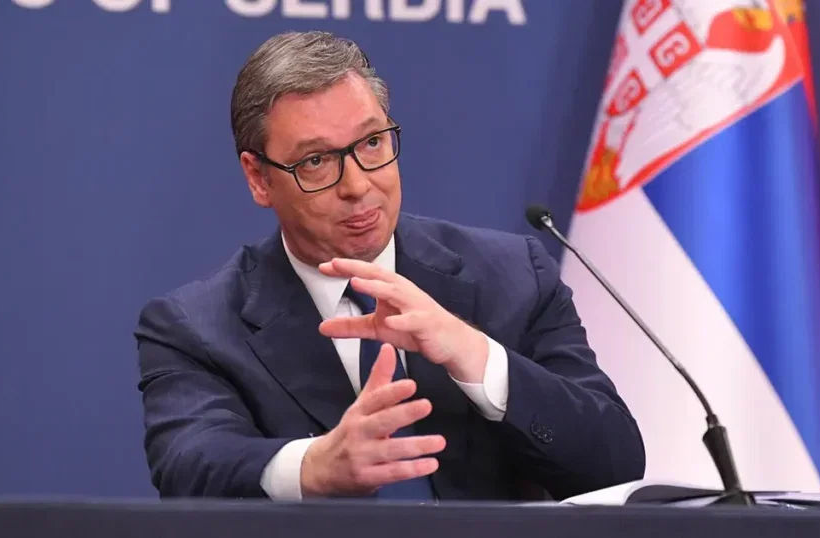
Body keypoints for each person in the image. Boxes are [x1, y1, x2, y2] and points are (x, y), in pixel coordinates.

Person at [134, 30, 645, 502]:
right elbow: (188, 465)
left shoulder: (514, 277)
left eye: (372, 143)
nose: (358, 185)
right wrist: (314, 467)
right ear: (259, 178)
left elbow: (616, 464)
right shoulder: (196, 327)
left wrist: (478, 356)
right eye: (316, 161)